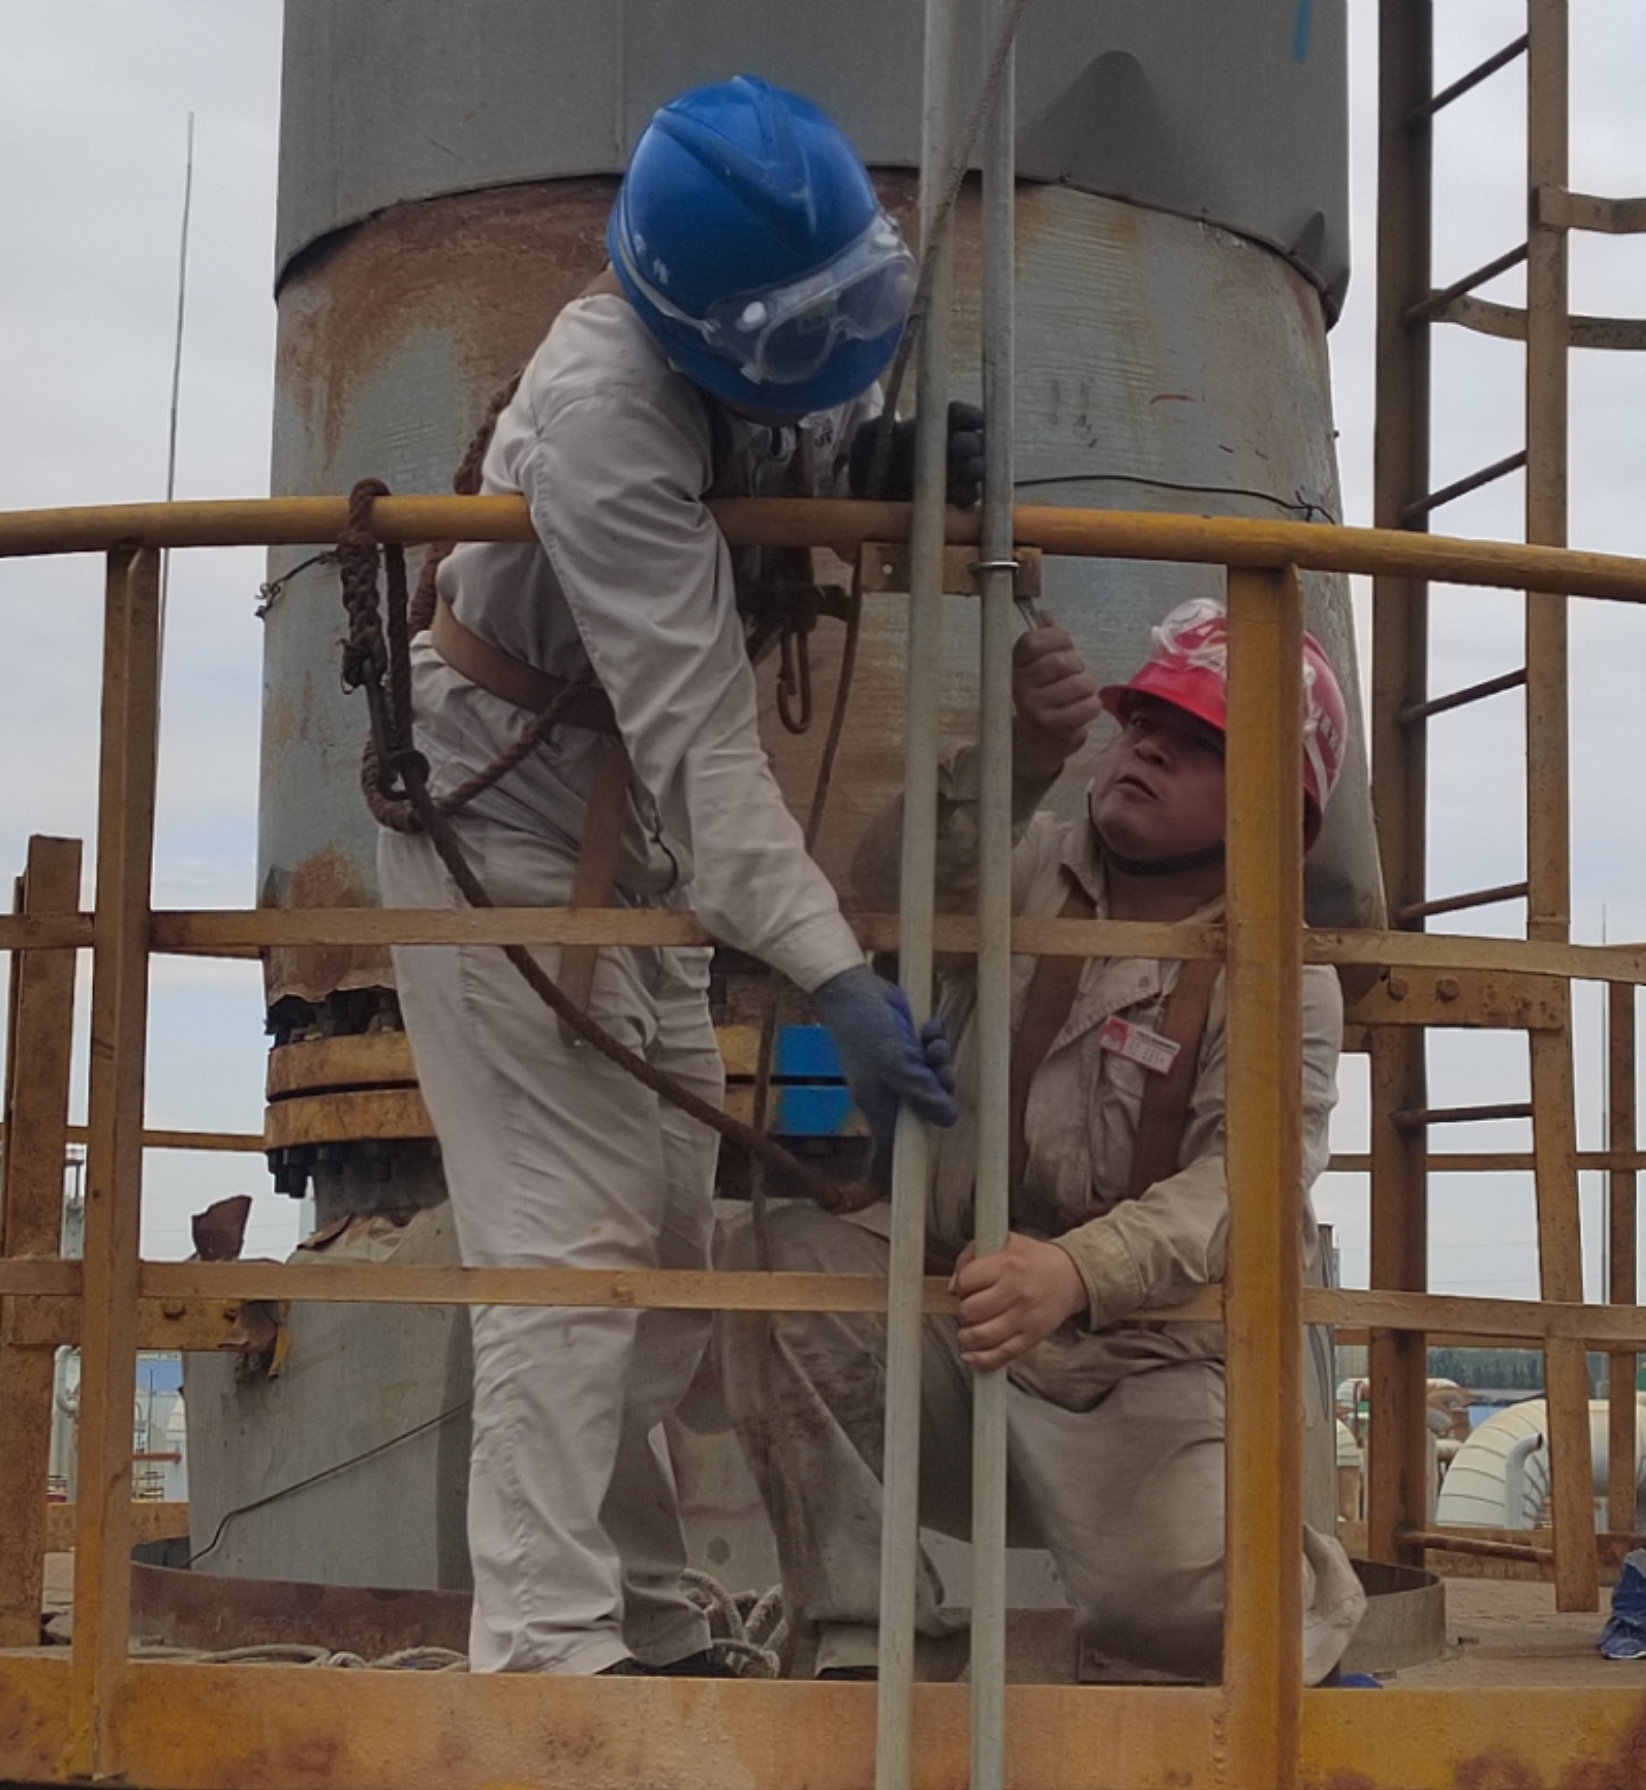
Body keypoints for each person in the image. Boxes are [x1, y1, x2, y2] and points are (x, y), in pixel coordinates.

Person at [378, 74, 969, 1677]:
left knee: (661, 1248)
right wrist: (838, 983)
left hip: (618, 822)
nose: (833, 354)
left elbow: (810, 416)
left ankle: (639, 1611)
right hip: (500, 827)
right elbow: (709, 756)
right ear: (699, 319)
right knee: (564, 1258)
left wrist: (877, 454)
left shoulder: (776, 327)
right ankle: (549, 1661)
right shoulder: (605, 421)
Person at [718, 596, 1370, 1684]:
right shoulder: (1023, 873)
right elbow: (892, 885)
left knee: (1214, 1627)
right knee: (769, 1265)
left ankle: (1278, 1623)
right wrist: (1019, 750)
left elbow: (1244, 1185)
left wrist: (1076, 1269)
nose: (1146, 747)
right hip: (958, 1316)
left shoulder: (1286, 978)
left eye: (1196, 741)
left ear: (1272, 804)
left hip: (1142, 1359)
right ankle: (866, 1645)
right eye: (1142, 722)